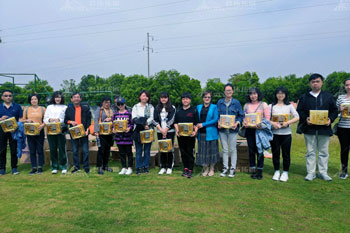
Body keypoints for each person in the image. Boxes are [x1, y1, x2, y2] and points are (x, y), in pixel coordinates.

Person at [296, 73, 338, 181]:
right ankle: (311, 173)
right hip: (309, 129)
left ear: (322, 82)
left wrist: (330, 119)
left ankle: (323, 172)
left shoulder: (328, 96)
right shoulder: (304, 97)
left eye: (317, 81)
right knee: (310, 152)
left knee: (324, 152)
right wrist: (306, 118)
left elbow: (334, 111)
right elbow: (299, 111)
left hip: (324, 129)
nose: (315, 84)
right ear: (310, 83)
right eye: (313, 82)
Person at [269, 87, 299, 182]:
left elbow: (297, 117)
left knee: (286, 154)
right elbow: (266, 118)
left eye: (282, 93)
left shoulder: (289, 106)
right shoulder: (271, 106)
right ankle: (277, 171)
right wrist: (272, 123)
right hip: (275, 133)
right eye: (278, 93)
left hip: (286, 133)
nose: (280, 95)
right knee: (275, 153)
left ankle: (285, 172)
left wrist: (287, 123)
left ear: (285, 95)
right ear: (276, 94)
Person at [217, 83, 244, 178]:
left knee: (233, 150)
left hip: (233, 130)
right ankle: (225, 168)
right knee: (224, 150)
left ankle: (232, 169)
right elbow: (217, 115)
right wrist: (218, 122)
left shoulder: (236, 102)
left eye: (230, 90)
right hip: (222, 130)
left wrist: (237, 123)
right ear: (224, 92)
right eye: (226, 90)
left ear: (232, 91)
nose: (228, 92)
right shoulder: (220, 102)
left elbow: (241, 115)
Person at [243, 87, 271, 180]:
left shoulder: (264, 105)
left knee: (259, 151)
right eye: (251, 94)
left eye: (255, 94)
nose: (253, 96)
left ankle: (260, 171)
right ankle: (253, 170)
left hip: (260, 131)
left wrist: (261, 124)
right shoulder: (246, 105)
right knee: (251, 151)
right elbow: (244, 118)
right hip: (249, 131)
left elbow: (267, 119)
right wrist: (245, 123)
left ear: (258, 94)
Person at [64, 92, 92, 174]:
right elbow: (65, 120)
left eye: (78, 97)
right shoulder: (68, 109)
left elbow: (89, 120)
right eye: (74, 97)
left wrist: (88, 129)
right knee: (75, 150)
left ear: (80, 99)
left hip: (83, 132)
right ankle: (77, 167)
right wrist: (70, 122)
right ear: (71, 99)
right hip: (74, 132)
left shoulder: (85, 109)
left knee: (85, 151)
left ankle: (86, 167)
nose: (76, 98)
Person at [174, 92, 198, 179]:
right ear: (182, 100)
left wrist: (195, 132)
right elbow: (175, 123)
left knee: (190, 152)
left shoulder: (193, 110)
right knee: (183, 153)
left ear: (190, 100)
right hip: (181, 136)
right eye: (183, 99)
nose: (185, 100)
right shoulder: (178, 111)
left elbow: (196, 123)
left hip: (190, 136)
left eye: (187, 99)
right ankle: (185, 168)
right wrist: (177, 130)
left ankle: (191, 170)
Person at [196, 91, 220, 176]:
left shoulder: (214, 107)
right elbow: (196, 119)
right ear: (202, 98)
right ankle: (205, 169)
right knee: (203, 152)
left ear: (211, 98)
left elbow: (216, 119)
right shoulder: (198, 107)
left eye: (209, 97)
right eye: (205, 97)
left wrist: (203, 124)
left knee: (212, 152)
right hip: (201, 133)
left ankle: (212, 169)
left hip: (211, 133)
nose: (207, 99)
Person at [44, 91, 68, 174]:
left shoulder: (65, 107)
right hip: (51, 130)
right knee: (53, 149)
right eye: (56, 97)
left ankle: (63, 166)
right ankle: (54, 167)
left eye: (59, 97)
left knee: (62, 149)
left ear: (62, 98)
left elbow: (65, 118)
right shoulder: (49, 107)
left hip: (60, 130)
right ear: (54, 98)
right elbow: (45, 118)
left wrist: (58, 120)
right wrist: (50, 120)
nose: (58, 99)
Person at [0, 90, 23, 175]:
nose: (8, 97)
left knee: (14, 150)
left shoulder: (17, 107)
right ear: (2, 97)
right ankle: (2, 168)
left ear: (12, 97)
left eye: (10, 95)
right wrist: (1, 119)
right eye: (6, 96)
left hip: (14, 131)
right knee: (2, 150)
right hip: (2, 131)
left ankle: (14, 168)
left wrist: (16, 127)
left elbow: (20, 119)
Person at [22, 94, 46, 175]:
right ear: (30, 101)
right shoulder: (26, 109)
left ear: (38, 100)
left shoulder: (43, 109)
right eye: (32, 99)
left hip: (39, 131)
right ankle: (33, 168)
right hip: (30, 131)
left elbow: (46, 119)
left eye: (35, 99)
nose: (34, 100)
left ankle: (40, 167)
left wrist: (42, 125)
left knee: (39, 150)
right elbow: (22, 119)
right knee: (32, 150)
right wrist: (27, 120)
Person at [153, 92, 176, 175]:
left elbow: (172, 119)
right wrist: (161, 130)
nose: (163, 99)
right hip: (160, 131)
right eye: (162, 97)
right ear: (160, 98)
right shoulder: (157, 108)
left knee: (169, 149)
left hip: (170, 131)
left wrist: (165, 130)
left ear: (168, 98)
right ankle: (163, 167)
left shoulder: (172, 107)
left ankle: (169, 167)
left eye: (165, 97)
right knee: (162, 149)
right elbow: (154, 119)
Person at [132, 90, 154, 175]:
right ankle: (138, 167)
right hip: (138, 130)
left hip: (148, 129)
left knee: (147, 150)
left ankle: (146, 167)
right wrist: (143, 124)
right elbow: (134, 118)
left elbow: (152, 117)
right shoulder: (135, 107)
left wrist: (146, 123)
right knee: (138, 150)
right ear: (140, 97)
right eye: (143, 95)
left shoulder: (151, 107)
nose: (144, 97)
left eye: (146, 96)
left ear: (148, 98)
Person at [112, 97, 134, 175]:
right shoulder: (115, 114)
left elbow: (132, 124)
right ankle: (124, 167)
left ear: (125, 104)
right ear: (117, 105)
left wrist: (129, 128)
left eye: (122, 104)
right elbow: (113, 125)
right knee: (121, 153)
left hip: (127, 136)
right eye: (119, 104)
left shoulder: (129, 113)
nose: (120, 105)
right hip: (119, 137)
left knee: (129, 152)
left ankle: (130, 167)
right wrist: (113, 129)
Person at [93, 97, 114, 175]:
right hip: (101, 133)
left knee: (107, 150)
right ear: (102, 103)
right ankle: (99, 167)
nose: (107, 104)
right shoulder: (100, 110)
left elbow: (114, 119)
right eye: (105, 102)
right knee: (101, 150)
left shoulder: (112, 110)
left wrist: (111, 119)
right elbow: (96, 120)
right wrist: (96, 131)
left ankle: (106, 165)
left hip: (110, 133)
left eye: (108, 102)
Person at [336, 78, 350, 179]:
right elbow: (335, 112)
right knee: (344, 150)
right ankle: (344, 171)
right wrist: (339, 110)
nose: (349, 87)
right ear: (344, 86)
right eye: (347, 85)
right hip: (343, 128)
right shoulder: (340, 98)